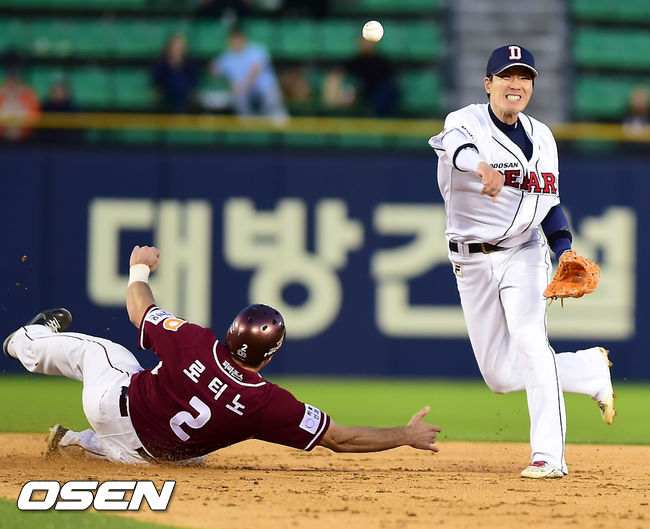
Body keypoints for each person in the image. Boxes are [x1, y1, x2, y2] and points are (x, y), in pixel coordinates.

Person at [3, 245, 441, 465]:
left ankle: (23, 342)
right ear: (271, 356)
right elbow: (340, 439)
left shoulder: (195, 342)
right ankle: (84, 445)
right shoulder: (267, 403)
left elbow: (139, 310)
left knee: (103, 351)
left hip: (112, 406)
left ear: (231, 332)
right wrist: (405, 434)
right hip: (153, 456)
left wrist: (139, 267)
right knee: (193, 456)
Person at [428, 45, 615, 479]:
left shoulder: (543, 136)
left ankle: (548, 456)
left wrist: (564, 249)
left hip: (524, 251)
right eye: (507, 76)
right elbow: (456, 148)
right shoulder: (465, 121)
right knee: (500, 376)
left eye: (525, 77)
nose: (516, 84)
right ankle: (587, 369)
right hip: (471, 261)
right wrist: (480, 167)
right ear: (488, 83)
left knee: (531, 343)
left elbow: (549, 203)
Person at [210, 26, 288, 123]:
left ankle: (280, 123)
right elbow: (214, 71)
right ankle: (247, 124)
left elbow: (256, 70)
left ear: (244, 39)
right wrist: (227, 84)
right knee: (238, 98)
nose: (236, 42)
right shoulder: (226, 56)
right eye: (233, 40)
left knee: (271, 98)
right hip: (242, 92)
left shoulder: (257, 50)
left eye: (238, 39)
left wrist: (243, 86)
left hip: (263, 88)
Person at [346, 37, 399, 117]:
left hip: (379, 95)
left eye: (368, 42)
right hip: (361, 93)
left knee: (387, 87)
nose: (366, 44)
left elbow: (391, 79)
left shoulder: (382, 62)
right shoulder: (355, 62)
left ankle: (373, 111)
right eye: (363, 42)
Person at [151, 34, 199, 113]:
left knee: (181, 86)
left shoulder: (189, 63)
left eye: (179, 46)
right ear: (169, 47)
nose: (177, 49)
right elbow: (156, 80)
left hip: (184, 94)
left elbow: (194, 80)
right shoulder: (161, 62)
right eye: (175, 46)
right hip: (167, 93)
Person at [0, 64, 40, 142]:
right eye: (11, 78)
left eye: (15, 78)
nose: (13, 82)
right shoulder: (1, 94)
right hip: (2, 141)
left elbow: (35, 119)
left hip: (25, 140)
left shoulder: (28, 95)